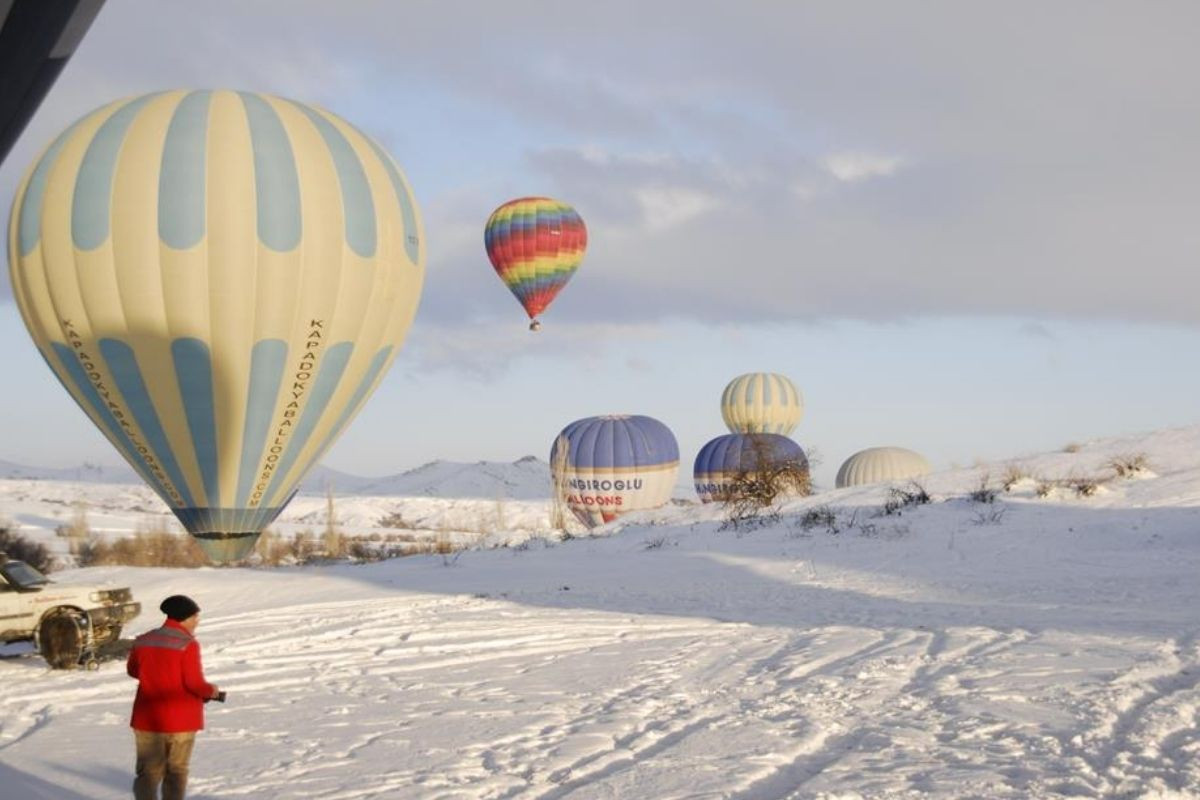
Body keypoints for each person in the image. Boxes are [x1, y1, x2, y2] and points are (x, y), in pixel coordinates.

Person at [126, 595, 222, 800]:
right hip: (181, 721)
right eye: (195, 616)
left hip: (147, 718)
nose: (198, 620)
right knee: (176, 772)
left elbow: (134, 671)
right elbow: (194, 684)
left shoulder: (143, 640)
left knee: (148, 773)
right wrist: (211, 690)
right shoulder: (188, 644)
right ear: (184, 618)